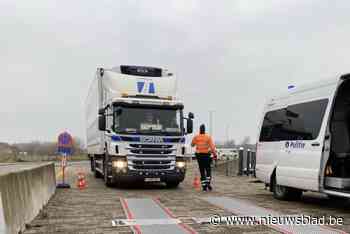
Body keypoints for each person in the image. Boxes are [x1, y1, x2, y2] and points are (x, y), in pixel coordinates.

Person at [191, 124, 217, 191]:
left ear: (200, 130)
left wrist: (197, 143)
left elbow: (192, 145)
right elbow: (212, 147)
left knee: (202, 171)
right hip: (206, 155)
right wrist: (214, 155)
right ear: (204, 130)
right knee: (208, 170)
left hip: (199, 156)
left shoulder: (196, 137)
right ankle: (208, 183)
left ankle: (204, 187)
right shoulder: (208, 137)